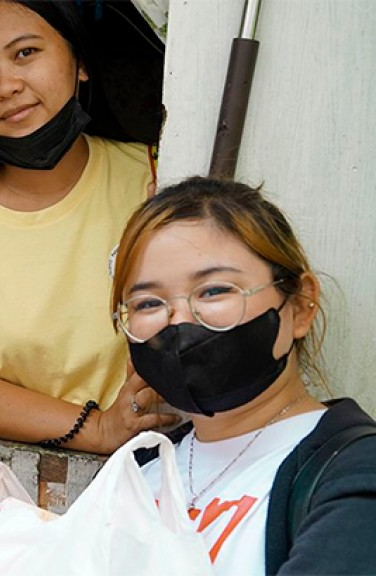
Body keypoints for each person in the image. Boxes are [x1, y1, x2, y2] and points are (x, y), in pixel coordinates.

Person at [0, 0, 175, 453]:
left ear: (79, 62)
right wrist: (100, 429)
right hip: (21, 495)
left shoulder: (160, 177)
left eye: (25, 53)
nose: (7, 86)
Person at [112, 177, 376, 574]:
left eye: (214, 291)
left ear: (301, 306)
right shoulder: (136, 468)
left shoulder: (353, 473)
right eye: (149, 302)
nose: (179, 319)